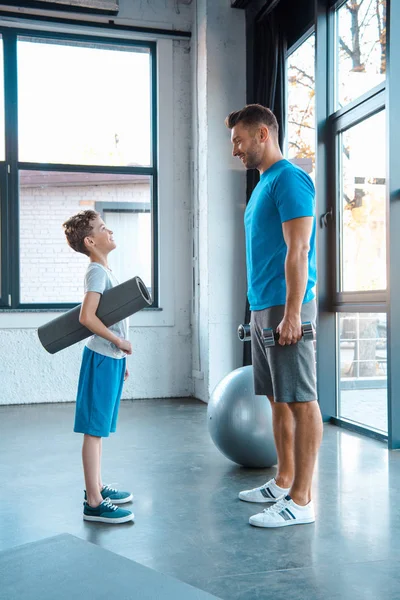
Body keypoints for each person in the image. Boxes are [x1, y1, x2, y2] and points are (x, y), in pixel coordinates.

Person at [225, 104, 323, 528]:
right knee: (276, 399)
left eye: (239, 141)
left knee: (301, 401)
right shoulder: (263, 185)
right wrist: (258, 310)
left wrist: (292, 315)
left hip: (288, 306)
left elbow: (298, 250)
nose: (236, 150)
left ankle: (301, 501)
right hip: (265, 306)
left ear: (262, 134)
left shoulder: (290, 179)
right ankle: (283, 481)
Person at [63, 210, 134, 524]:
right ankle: (93, 503)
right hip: (102, 359)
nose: (110, 231)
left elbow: (113, 318)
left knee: (100, 430)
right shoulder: (96, 272)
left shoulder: (105, 270)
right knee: (94, 432)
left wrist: (122, 358)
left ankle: (98, 488)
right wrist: (118, 345)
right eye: (103, 228)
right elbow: (86, 317)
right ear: (91, 241)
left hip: (112, 361)